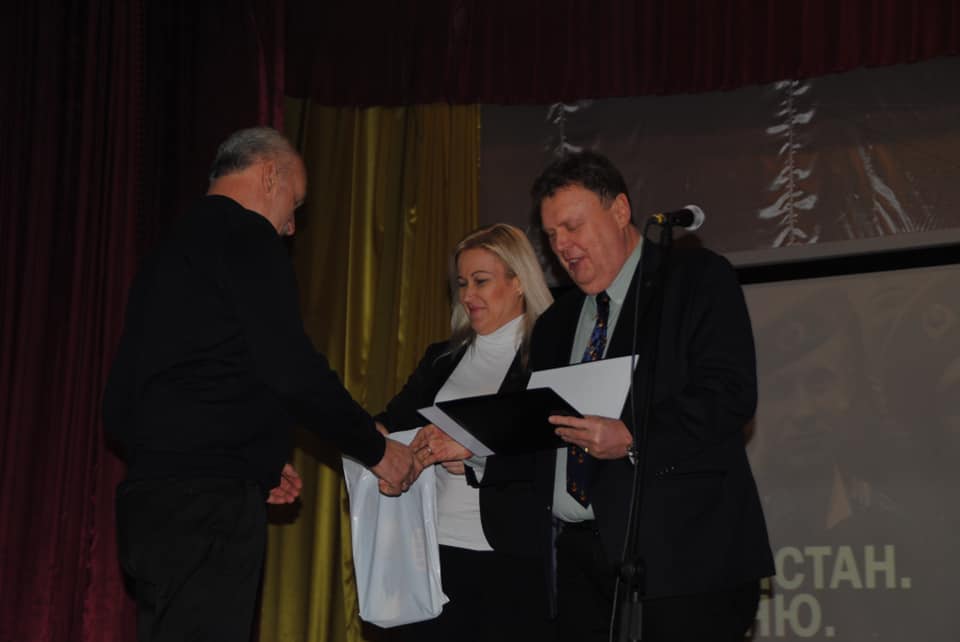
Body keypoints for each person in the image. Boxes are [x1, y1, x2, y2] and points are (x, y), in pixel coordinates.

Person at [426, 151, 774, 641]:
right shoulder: (556, 323)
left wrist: (632, 437)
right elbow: (539, 433)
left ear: (620, 210)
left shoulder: (694, 279)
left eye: (573, 226)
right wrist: (477, 453)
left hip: (686, 563)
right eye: (552, 235)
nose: (561, 246)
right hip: (581, 568)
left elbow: (729, 395)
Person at [102, 126, 416, 642]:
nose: (291, 227)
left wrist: (250, 460)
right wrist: (375, 449)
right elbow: (291, 370)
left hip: (147, 504)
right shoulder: (247, 235)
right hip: (209, 509)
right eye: (295, 203)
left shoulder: (165, 254)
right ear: (270, 175)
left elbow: (118, 405)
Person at [375, 223, 555, 641]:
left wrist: (473, 456)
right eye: (461, 283)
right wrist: (362, 436)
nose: (468, 294)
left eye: (481, 281)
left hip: (510, 559)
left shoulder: (549, 358)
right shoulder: (441, 358)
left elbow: (551, 456)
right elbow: (393, 422)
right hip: (432, 554)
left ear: (518, 282)